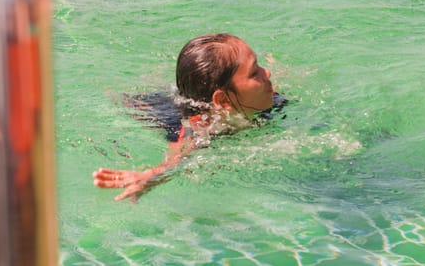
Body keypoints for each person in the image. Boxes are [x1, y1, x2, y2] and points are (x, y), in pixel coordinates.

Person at [93, 33, 285, 202]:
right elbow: (178, 159)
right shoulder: (198, 130)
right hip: (161, 109)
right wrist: (150, 178)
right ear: (223, 100)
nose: (267, 73)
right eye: (254, 72)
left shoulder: (267, 98)